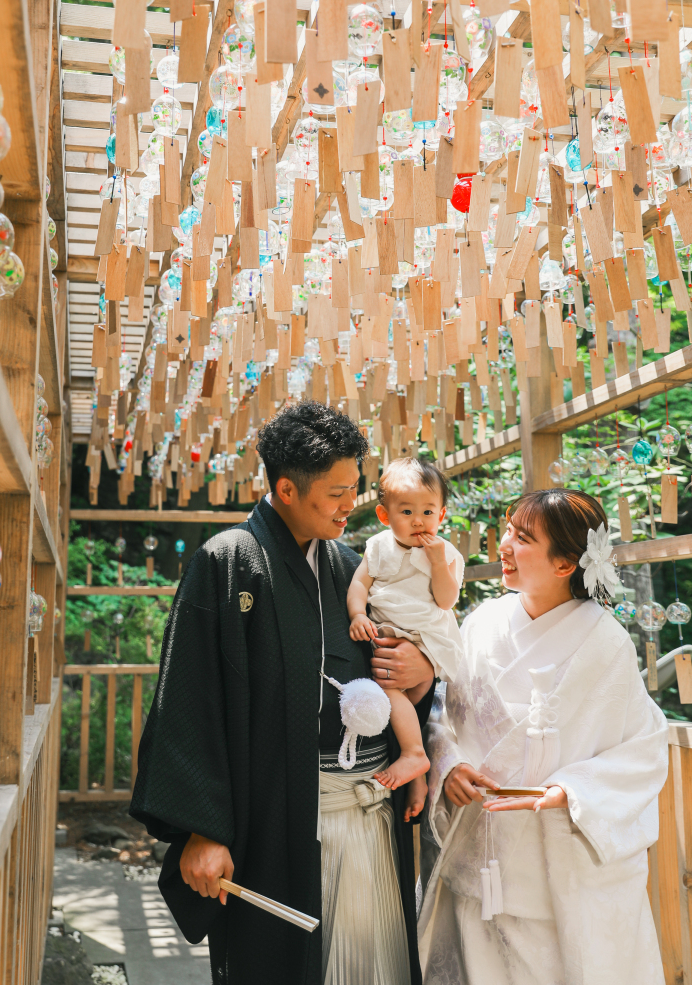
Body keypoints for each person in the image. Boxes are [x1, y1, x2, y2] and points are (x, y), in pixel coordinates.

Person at [130, 401, 437, 985]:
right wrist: (204, 829)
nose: (352, 504)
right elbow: (190, 702)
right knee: (278, 965)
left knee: (375, 964)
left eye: (355, 487)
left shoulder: (354, 565)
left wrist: (420, 667)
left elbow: (411, 664)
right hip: (275, 816)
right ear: (287, 489)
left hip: (370, 808)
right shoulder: (228, 562)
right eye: (337, 492)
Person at [418, 488, 668, 985]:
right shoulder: (483, 622)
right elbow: (442, 710)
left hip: (556, 864)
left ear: (565, 564)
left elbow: (643, 747)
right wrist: (448, 764)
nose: (504, 544)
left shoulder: (605, 642)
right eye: (509, 529)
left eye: (523, 537)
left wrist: (573, 791)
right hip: (479, 848)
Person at [347, 459, 464, 818]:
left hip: (425, 635)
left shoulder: (444, 553)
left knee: (396, 695)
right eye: (407, 511)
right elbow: (359, 585)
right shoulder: (379, 547)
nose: (418, 520)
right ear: (384, 516)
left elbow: (446, 600)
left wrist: (438, 560)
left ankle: (415, 755)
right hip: (388, 631)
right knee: (399, 703)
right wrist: (358, 614)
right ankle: (417, 767)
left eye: (427, 511)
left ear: (441, 514)